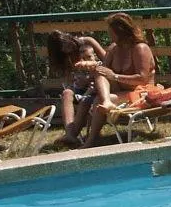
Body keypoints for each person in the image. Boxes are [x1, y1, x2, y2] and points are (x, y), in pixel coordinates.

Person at [78, 13, 157, 148]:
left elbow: (142, 78)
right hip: (120, 91)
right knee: (100, 70)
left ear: (121, 32)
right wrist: (89, 68)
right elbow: (103, 70)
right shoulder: (114, 48)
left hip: (141, 92)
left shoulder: (140, 48)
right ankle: (106, 103)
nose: (109, 35)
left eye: (111, 32)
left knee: (98, 100)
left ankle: (90, 141)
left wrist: (115, 76)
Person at [45, 31, 108, 146]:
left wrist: (90, 78)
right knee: (67, 93)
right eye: (65, 51)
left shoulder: (87, 42)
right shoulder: (64, 57)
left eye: (69, 47)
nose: (69, 52)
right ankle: (69, 133)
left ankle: (71, 136)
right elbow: (70, 78)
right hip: (80, 88)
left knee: (85, 101)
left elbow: (108, 63)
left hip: (97, 84)